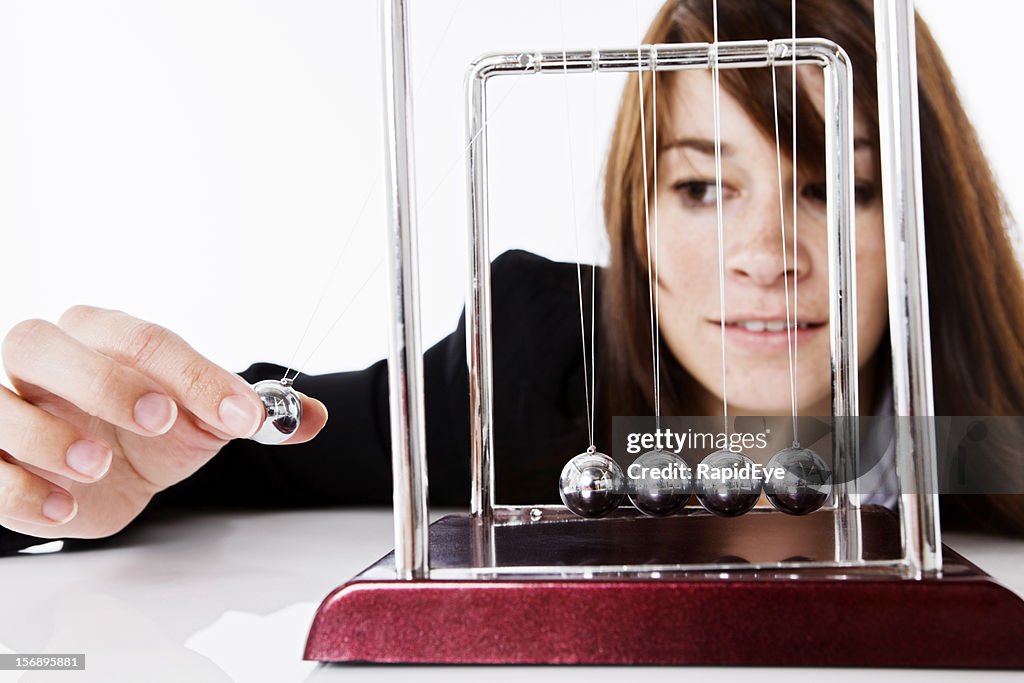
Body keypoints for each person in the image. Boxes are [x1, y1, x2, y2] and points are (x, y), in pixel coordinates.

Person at [2, 0, 1022, 553]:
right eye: (705, 189)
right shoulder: (531, 360)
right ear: (639, 212)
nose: (764, 255)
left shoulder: (995, 425)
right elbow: (262, 442)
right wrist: (79, 461)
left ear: (928, 217)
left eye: (840, 189)